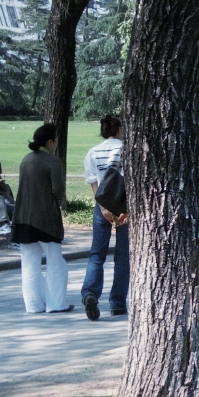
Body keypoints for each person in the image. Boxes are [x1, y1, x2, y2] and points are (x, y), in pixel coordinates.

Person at [12, 123, 72, 314]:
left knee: (29, 264)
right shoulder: (53, 161)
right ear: (50, 141)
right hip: (46, 218)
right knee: (55, 262)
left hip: (23, 217)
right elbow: (58, 191)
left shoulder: (26, 159)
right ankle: (56, 303)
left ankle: (33, 305)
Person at [80, 115, 129, 321]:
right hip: (124, 206)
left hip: (102, 206)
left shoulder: (93, 152)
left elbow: (93, 182)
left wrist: (103, 207)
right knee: (123, 255)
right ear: (119, 128)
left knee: (97, 254)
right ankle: (117, 303)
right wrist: (127, 210)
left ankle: (90, 292)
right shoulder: (126, 149)